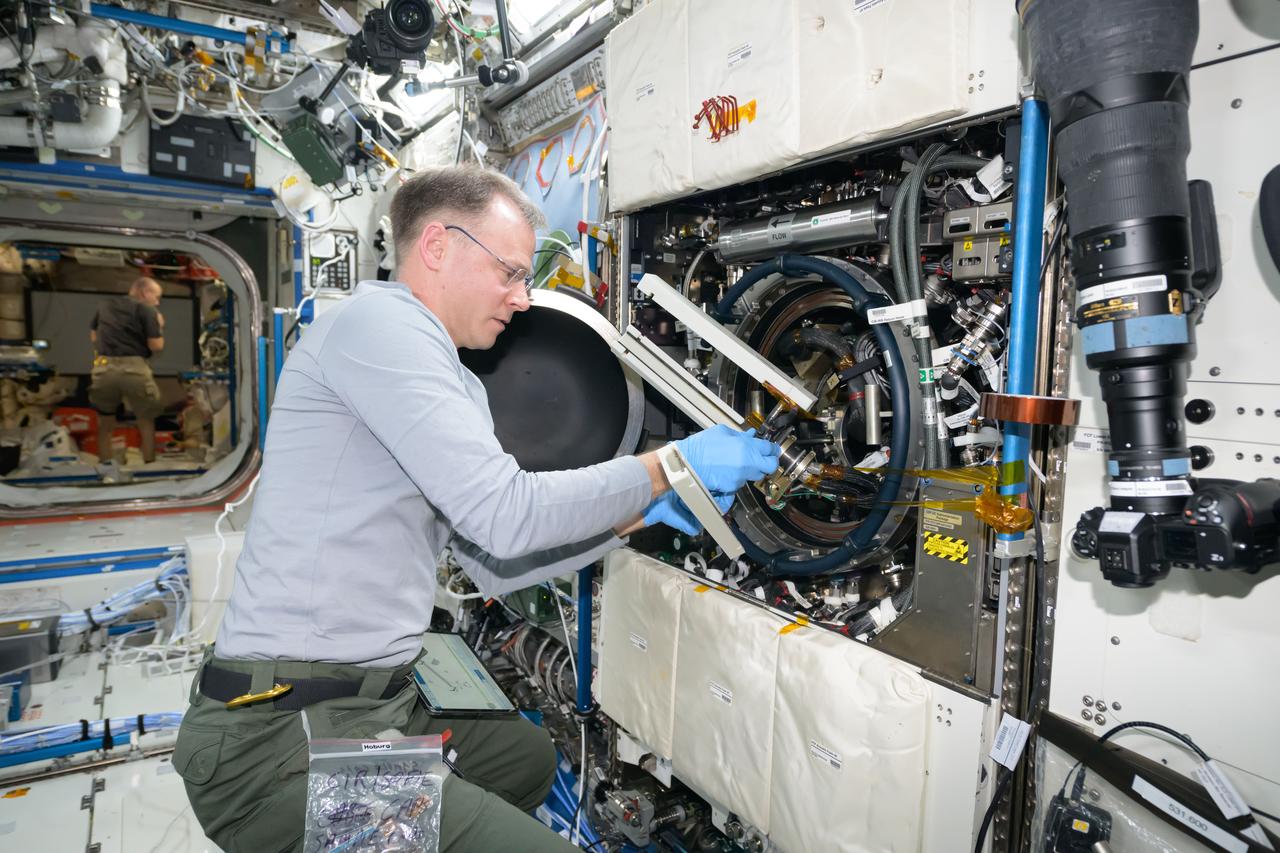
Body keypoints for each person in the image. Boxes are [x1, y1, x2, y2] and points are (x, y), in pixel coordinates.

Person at [175, 165, 780, 853]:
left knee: (524, 758)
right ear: (437, 246)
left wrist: (641, 513)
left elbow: (490, 560)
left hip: (372, 701)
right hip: (278, 741)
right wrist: (670, 465)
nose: (523, 298)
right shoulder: (380, 324)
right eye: (511, 273)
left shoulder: (453, 375)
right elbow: (505, 512)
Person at [88, 275, 165, 465]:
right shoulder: (148, 310)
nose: (157, 301)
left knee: (105, 422)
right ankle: (150, 468)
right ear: (145, 293)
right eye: (156, 296)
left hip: (104, 368)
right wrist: (160, 326)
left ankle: (106, 469)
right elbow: (155, 345)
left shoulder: (104, 305)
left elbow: (93, 336)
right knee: (145, 420)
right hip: (134, 369)